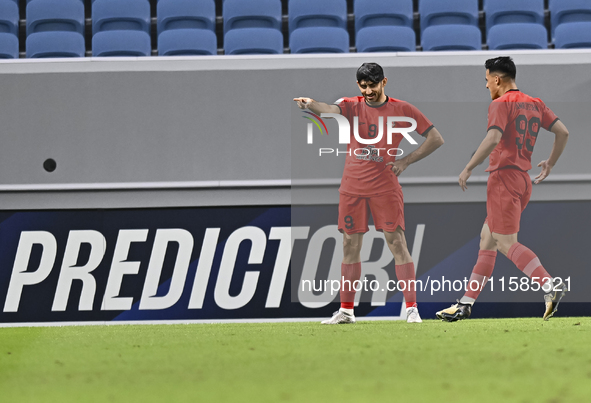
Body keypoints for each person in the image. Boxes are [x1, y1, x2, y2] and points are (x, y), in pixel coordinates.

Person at [294, 63, 444, 324]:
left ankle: (411, 309)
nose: (368, 91)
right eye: (363, 86)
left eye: (372, 85)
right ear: (358, 86)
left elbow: (435, 138)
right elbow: (328, 109)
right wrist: (310, 104)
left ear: (384, 82)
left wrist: (406, 160)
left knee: (397, 244)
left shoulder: (403, 109)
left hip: (385, 188)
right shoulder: (351, 105)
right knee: (349, 246)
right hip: (351, 189)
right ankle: (347, 311)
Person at [436, 56, 569, 322]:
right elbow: (563, 132)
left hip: (503, 180)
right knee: (488, 240)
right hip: (522, 180)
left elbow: (493, 137)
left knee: (506, 243)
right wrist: (550, 163)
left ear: (496, 79)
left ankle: (550, 285)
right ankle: (465, 304)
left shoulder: (500, 103)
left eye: (487, 80)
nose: (486, 86)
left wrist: (469, 166)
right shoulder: (535, 103)